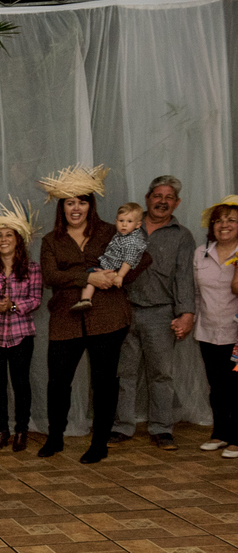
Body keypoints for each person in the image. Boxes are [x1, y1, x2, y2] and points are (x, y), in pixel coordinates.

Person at [37, 165, 147, 464]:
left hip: (107, 317)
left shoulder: (111, 231)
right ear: (62, 207)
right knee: (58, 382)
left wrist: (116, 277)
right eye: (70, 202)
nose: (76, 208)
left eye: (82, 202)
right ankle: (55, 437)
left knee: (105, 382)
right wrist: (88, 278)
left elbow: (141, 255)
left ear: (91, 205)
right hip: (66, 318)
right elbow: (50, 276)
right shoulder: (51, 240)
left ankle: (100, 443)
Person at [111, 176, 198, 450]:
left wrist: (187, 313)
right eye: (157, 196)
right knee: (123, 372)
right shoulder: (127, 226)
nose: (162, 201)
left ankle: (162, 429)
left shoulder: (182, 235)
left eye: (169, 197)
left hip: (161, 313)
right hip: (124, 309)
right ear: (147, 198)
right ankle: (121, 426)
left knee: (161, 374)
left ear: (177, 203)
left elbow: (184, 276)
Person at [0, 200, 44, 452]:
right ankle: (1, 431)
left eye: (8, 235)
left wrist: (13, 306)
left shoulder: (32, 268)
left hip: (21, 334)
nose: (3, 239)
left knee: (21, 383)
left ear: (18, 240)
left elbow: (35, 299)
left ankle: (21, 431)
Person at [193, 195, 238, 458]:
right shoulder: (201, 252)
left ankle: (237, 438)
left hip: (236, 334)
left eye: (231, 220)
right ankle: (220, 433)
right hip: (208, 331)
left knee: (236, 385)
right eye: (219, 220)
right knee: (217, 385)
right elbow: (196, 294)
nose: (224, 225)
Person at [71, 202, 146, 311]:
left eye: (129, 221)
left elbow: (128, 261)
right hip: (108, 265)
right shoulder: (121, 234)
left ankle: (85, 299)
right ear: (116, 221)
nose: (124, 225)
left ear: (138, 225)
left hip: (115, 270)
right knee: (91, 276)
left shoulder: (132, 242)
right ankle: (86, 300)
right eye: (121, 221)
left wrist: (119, 276)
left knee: (90, 276)